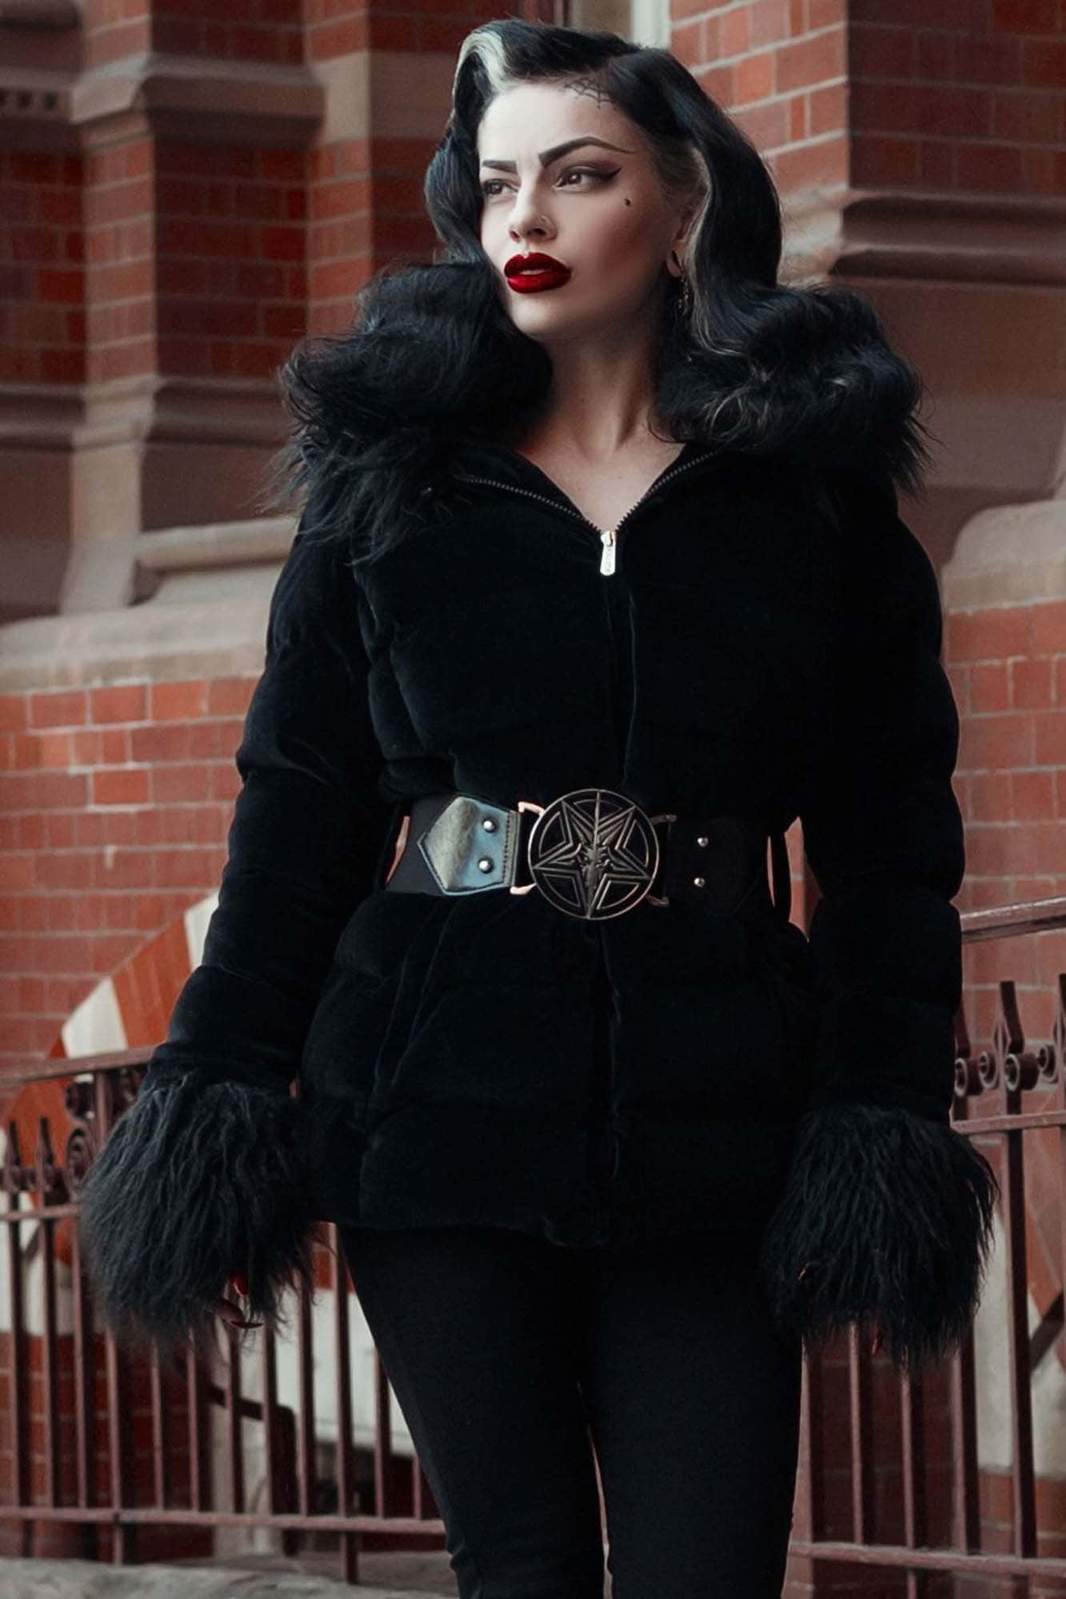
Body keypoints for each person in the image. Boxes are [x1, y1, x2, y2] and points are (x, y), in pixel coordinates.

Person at [78, 18, 999, 1597]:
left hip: (719, 1118)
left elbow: (889, 846)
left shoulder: (813, 507)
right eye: (498, 182)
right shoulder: (391, 493)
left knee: (707, 1570)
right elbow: (296, 816)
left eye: (578, 176)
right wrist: (217, 1089)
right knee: (516, 1568)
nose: (527, 218)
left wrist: (877, 1105)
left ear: (683, 202)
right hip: (430, 1104)